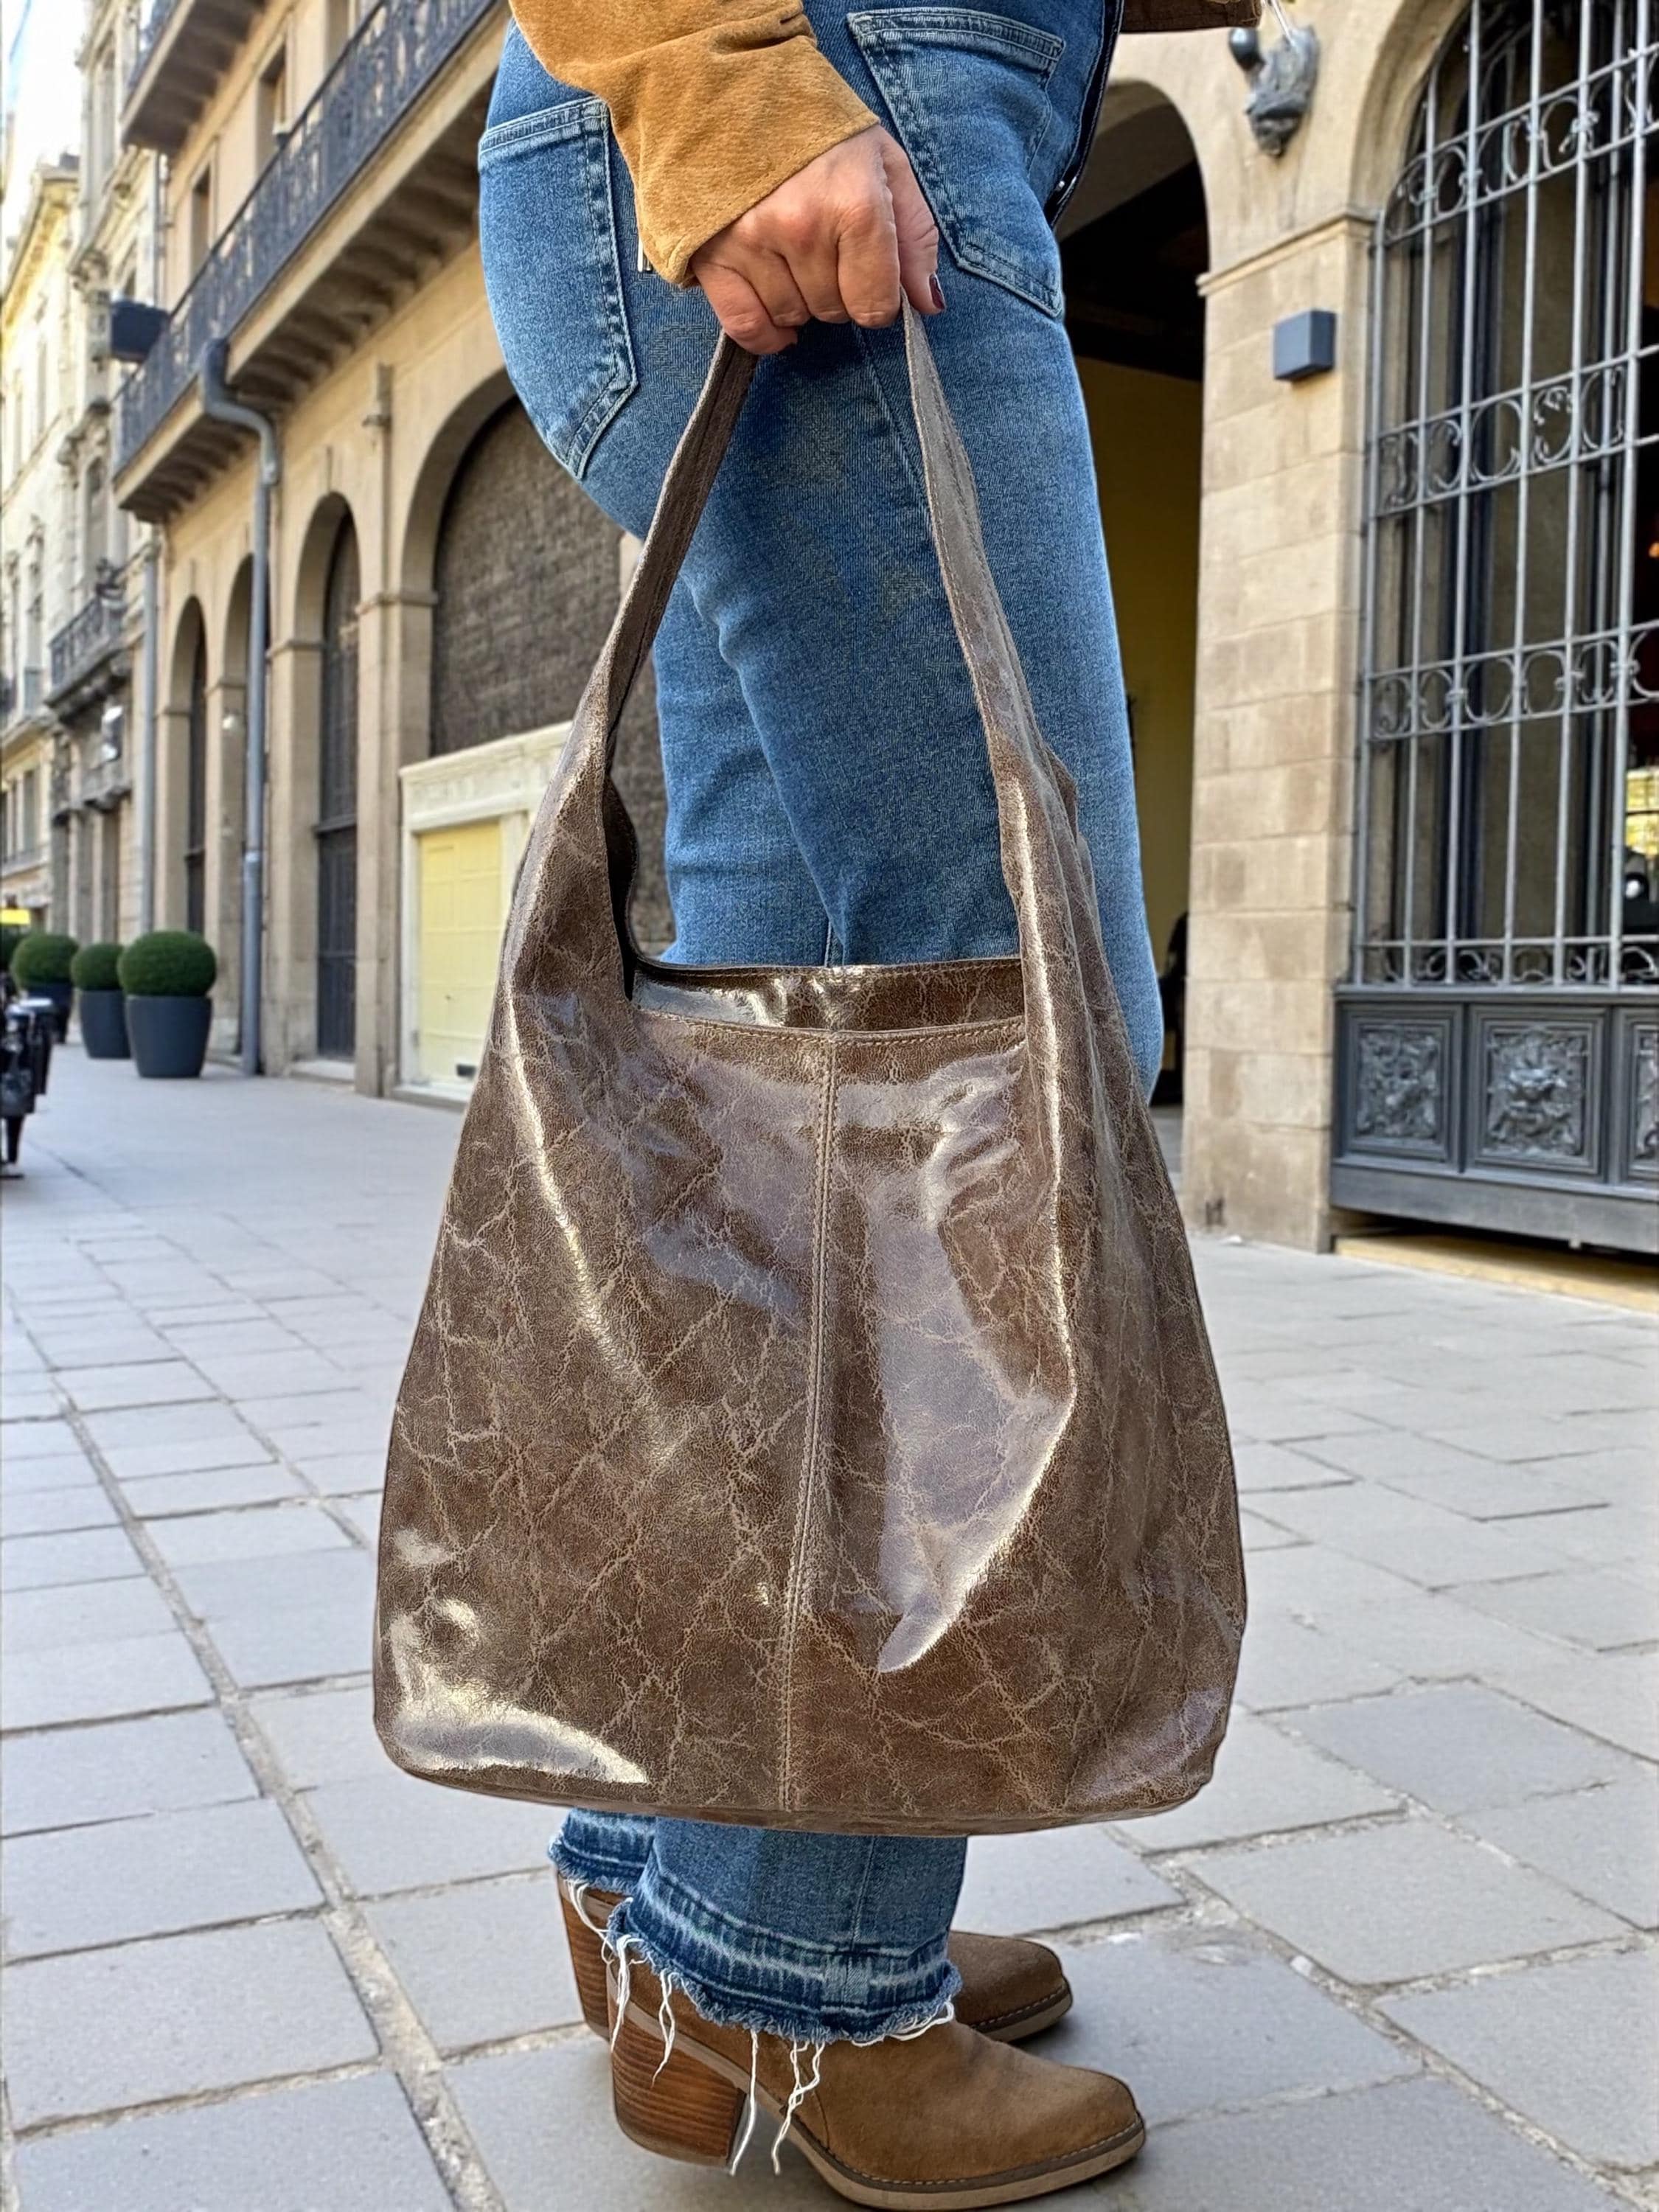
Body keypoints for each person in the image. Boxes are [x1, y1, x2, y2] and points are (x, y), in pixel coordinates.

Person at [479, 2, 1253, 2199]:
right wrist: (723, 73)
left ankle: (682, 1908)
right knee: (998, 1070)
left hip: (809, 103)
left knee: (806, 1121)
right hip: (826, 94)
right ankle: (793, 1974)